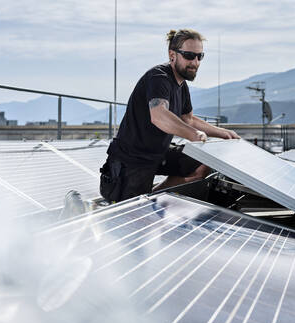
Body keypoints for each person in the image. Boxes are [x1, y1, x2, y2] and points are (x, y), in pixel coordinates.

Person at [100, 28, 239, 202]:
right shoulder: (159, 78)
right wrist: (193, 134)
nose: (195, 62)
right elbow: (159, 115)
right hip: (132, 160)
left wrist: (223, 133)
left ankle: (154, 196)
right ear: (172, 54)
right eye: (189, 55)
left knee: (202, 163)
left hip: (158, 153)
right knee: (132, 212)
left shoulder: (182, 85)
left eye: (199, 56)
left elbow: (188, 119)